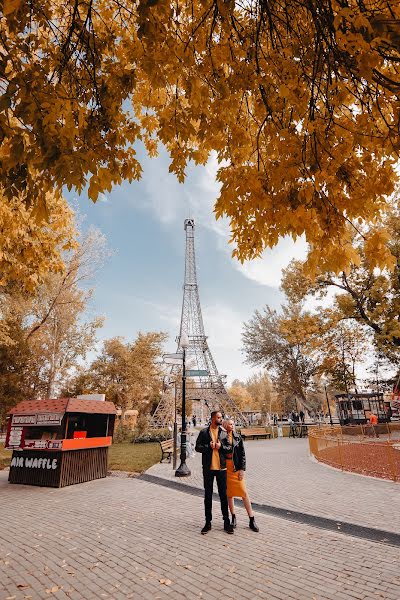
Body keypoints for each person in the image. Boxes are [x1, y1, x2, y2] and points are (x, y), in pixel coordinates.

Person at [195, 410, 234, 535]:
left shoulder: (223, 433)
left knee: (223, 496)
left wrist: (220, 447)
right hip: (208, 469)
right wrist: (208, 447)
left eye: (221, 417)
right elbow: (197, 447)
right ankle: (208, 522)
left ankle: (226, 522)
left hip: (221, 469)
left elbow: (230, 448)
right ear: (212, 418)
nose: (221, 419)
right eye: (218, 417)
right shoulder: (204, 432)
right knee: (208, 496)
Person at [224, 419, 259, 532]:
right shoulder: (221, 437)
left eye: (233, 424)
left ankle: (251, 519)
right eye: (230, 424)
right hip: (225, 469)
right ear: (225, 425)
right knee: (229, 494)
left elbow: (242, 454)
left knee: (244, 493)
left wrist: (242, 469)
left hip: (236, 468)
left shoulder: (238, 437)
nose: (232, 425)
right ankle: (233, 517)